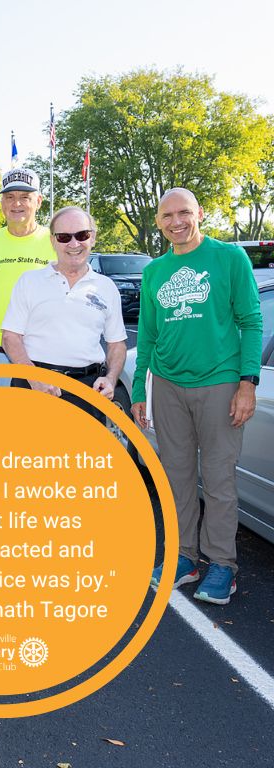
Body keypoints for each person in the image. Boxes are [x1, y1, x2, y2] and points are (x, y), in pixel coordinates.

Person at [132, 188, 262, 605]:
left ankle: (223, 565)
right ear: (158, 221)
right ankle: (184, 558)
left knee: (220, 480)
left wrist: (247, 383)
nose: (176, 222)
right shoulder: (155, 271)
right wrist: (139, 389)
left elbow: (252, 321)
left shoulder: (228, 258)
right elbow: (148, 336)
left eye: (184, 213)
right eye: (167, 215)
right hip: (168, 384)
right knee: (177, 478)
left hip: (219, 382)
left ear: (199, 214)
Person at [1, 206, 127, 422]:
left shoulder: (107, 287)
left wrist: (111, 378)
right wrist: (34, 378)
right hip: (33, 386)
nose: (74, 244)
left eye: (82, 235)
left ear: (93, 238)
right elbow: (10, 337)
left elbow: (117, 344)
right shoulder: (29, 281)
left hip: (87, 391)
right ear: (52, 241)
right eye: (64, 237)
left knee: (81, 456)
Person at [0, 168, 54, 387]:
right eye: (10, 197)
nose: (17, 204)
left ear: (39, 201)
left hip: (43, 359)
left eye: (25, 197)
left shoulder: (54, 241)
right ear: (2, 203)